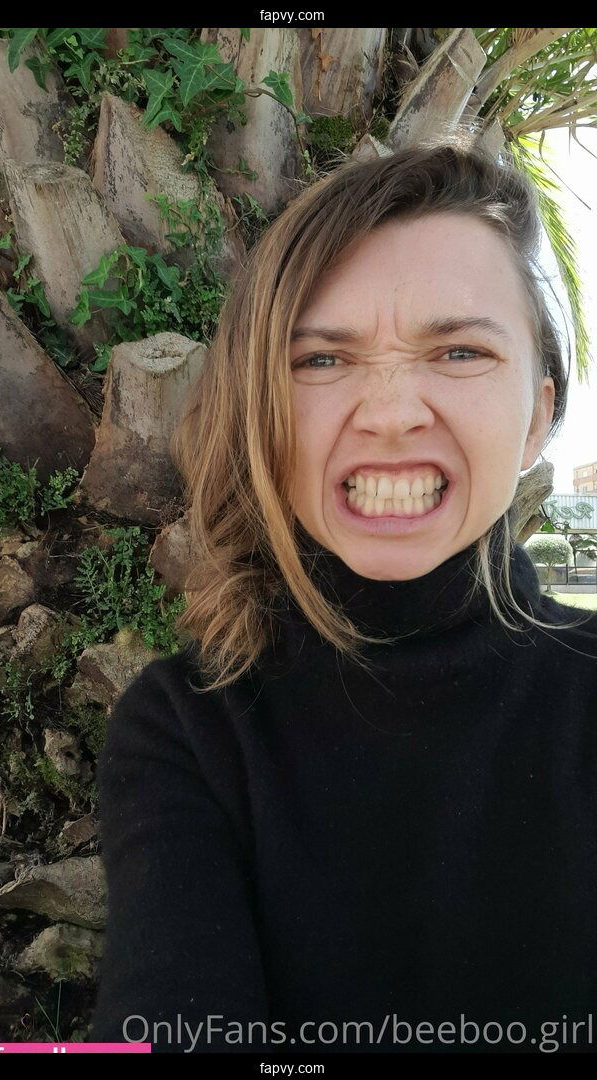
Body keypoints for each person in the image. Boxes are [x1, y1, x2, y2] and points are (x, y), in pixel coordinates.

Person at [89, 130, 597, 1055]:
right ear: (258, 414)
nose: (393, 413)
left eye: (459, 353)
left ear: (539, 416)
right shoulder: (188, 732)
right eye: (322, 360)